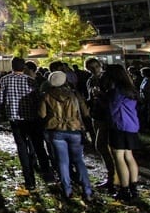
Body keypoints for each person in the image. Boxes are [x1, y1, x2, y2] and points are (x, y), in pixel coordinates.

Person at [0, 57, 54, 190]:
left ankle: (30, 181)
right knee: (39, 146)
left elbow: (0, 100)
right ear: (24, 67)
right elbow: (37, 100)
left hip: (15, 119)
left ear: (12, 66)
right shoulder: (30, 81)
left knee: (22, 149)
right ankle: (48, 175)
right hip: (32, 119)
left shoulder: (5, 80)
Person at [38, 71, 93, 201]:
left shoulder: (47, 96)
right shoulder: (74, 95)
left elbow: (42, 114)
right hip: (75, 129)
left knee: (62, 162)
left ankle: (67, 190)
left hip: (56, 130)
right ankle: (87, 190)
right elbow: (85, 112)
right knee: (78, 160)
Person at [102, 64, 141, 202]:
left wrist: (101, 98)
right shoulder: (131, 89)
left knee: (119, 157)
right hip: (132, 125)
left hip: (119, 125)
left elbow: (112, 109)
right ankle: (134, 188)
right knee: (129, 156)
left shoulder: (116, 91)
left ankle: (124, 189)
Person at [85, 57, 118, 194]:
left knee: (103, 145)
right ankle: (112, 175)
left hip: (107, 116)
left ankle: (113, 176)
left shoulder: (108, 79)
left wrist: (100, 95)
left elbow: (113, 98)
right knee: (101, 146)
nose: (94, 70)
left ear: (100, 66)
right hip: (96, 114)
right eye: (90, 68)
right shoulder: (90, 80)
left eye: (95, 67)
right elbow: (90, 97)